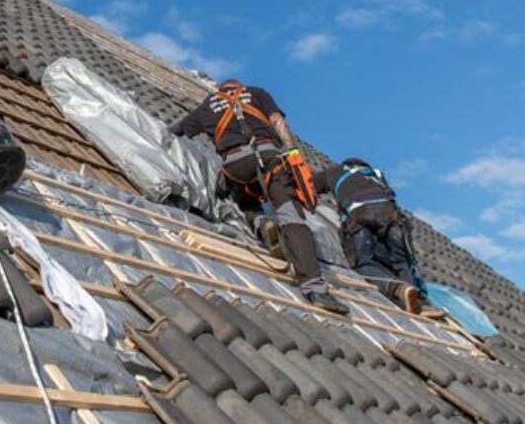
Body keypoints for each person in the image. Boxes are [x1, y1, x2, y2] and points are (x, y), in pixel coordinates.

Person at [169, 79, 349, 315]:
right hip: (270, 157)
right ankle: (315, 289)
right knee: (291, 216)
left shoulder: (207, 105)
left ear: (220, 91)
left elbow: (177, 131)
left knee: (245, 200)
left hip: (235, 164)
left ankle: (261, 224)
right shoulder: (256, 93)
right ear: (238, 87)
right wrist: (292, 153)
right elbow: (278, 122)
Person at [312, 158, 444, 318]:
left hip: (361, 216)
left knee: (362, 263)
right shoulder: (375, 175)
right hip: (393, 218)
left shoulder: (334, 171)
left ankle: (398, 289)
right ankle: (420, 303)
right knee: (401, 261)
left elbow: (309, 187)